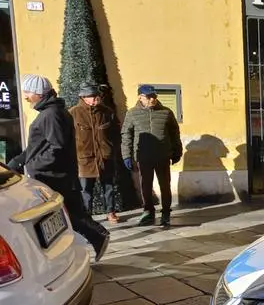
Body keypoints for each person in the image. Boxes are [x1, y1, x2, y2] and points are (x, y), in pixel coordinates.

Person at [6, 75, 109, 260]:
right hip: (55, 175)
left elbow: (57, 147)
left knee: (65, 215)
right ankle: (95, 237)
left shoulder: (51, 114)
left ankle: (97, 236)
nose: (26, 97)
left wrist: (33, 164)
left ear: (39, 93)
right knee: (68, 214)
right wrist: (18, 162)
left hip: (55, 176)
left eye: (28, 93)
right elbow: (37, 147)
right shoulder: (51, 112)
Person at [121, 85, 182, 227]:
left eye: (154, 96)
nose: (152, 99)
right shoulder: (132, 113)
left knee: (165, 185)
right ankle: (148, 211)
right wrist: (126, 156)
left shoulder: (166, 112)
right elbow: (126, 135)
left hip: (162, 155)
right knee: (145, 186)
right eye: (149, 97)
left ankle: (166, 212)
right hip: (143, 157)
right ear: (140, 97)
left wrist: (177, 151)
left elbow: (175, 134)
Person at [70, 83, 120, 223]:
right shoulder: (73, 113)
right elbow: (67, 137)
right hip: (85, 159)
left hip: (105, 157)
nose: (96, 98)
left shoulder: (107, 112)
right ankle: (87, 216)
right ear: (83, 97)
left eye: (96, 95)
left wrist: (112, 149)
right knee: (86, 190)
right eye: (92, 96)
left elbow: (116, 133)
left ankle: (111, 212)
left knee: (109, 187)